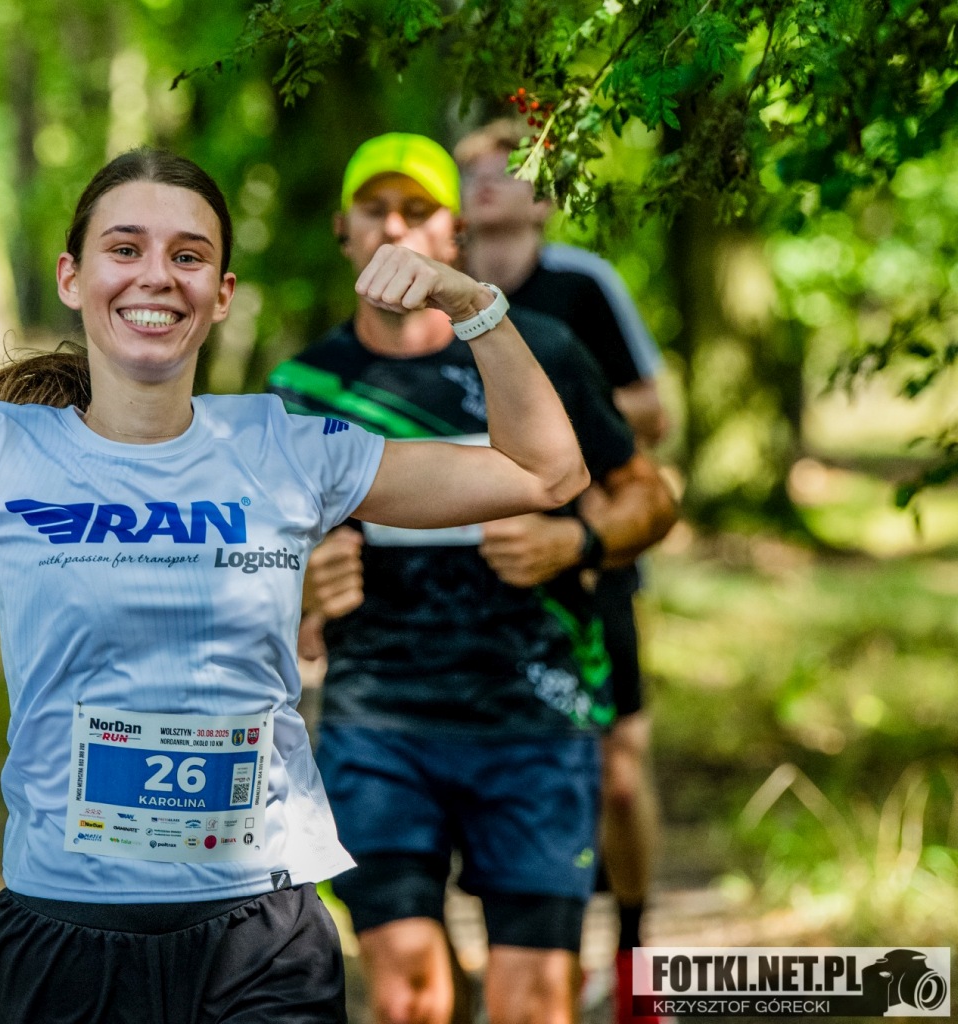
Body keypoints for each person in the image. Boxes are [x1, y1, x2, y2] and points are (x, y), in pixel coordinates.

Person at [0, 147, 591, 1023]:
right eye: (125, 248)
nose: (156, 275)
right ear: (72, 277)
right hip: (64, 937)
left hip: (262, 937)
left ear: (221, 294)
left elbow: (546, 473)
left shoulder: (283, 448)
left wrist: (472, 304)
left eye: (188, 256)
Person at [268, 133, 676, 1024]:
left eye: (418, 211)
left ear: (454, 234)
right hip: (378, 724)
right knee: (412, 1000)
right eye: (375, 209)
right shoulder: (299, 388)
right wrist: (299, 585)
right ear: (343, 229)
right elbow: (250, 570)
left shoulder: (542, 355)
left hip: (533, 720)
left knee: (531, 1007)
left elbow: (652, 496)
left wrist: (575, 541)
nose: (395, 228)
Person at [454, 120, 675, 1024]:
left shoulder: (583, 286)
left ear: (544, 198)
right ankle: (544, 959)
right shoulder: (429, 289)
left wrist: (547, 405)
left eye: (506, 168)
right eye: (469, 169)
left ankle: (635, 956)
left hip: (588, 556)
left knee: (617, 773)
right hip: (479, 572)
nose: (484, 181)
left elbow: (652, 412)